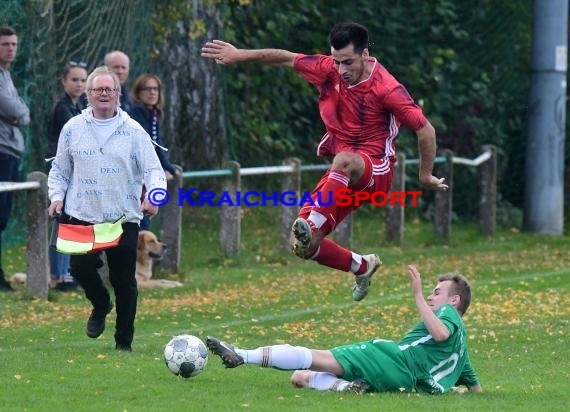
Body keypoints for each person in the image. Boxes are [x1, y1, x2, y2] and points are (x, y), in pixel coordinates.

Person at [201, 22, 449, 301]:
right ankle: (361, 265)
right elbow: (286, 57)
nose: (342, 70)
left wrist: (425, 175)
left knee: (342, 163)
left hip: (375, 170)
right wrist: (238, 54)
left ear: (365, 54)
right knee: (301, 246)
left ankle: (315, 222)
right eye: (337, 61)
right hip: (341, 175)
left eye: (348, 62)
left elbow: (426, 130)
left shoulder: (387, 88)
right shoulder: (328, 68)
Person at [207, 265, 481, 394]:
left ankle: (241, 355)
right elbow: (476, 390)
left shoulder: (448, 315)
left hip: (393, 359)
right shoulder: (463, 350)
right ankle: (348, 388)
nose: (433, 298)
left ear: (454, 301)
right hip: (402, 384)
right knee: (300, 377)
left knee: (315, 356)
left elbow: (441, 333)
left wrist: (418, 295)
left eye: (438, 292)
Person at [47, 66, 167, 351]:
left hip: (122, 215)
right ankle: (100, 303)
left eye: (109, 89)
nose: (103, 93)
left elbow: (154, 170)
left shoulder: (133, 131)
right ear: (88, 94)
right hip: (82, 214)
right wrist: (56, 197)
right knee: (80, 268)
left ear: (118, 93)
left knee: (124, 281)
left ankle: (123, 343)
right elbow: (59, 170)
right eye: (97, 89)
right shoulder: (73, 128)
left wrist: (155, 196)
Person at [46, 61, 88, 292]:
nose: (79, 84)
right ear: (64, 82)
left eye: (83, 80)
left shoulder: (77, 106)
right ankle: (59, 275)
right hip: (62, 172)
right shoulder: (63, 109)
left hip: (74, 172)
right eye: (74, 79)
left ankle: (68, 273)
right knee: (60, 222)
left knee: (71, 222)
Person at [130, 73, 181, 231]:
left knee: (144, 220)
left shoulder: (152, 113)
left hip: (146, 173)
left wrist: (168, 167)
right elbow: (147, 145)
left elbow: (157, 143)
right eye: (148, 89)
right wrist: (164, 169)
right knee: (140, 223)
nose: (152, 93)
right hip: (137, 175)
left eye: (155, 89)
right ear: (138, 93)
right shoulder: (137, 113)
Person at [0, 26, 30, 292]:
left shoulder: (6, 75)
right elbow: (12, 108)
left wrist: (18, 113)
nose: (11, 48)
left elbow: (22, 112)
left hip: (10, 150)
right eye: (5, 44)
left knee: (2, 218)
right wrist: (16, 114)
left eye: (14, 44)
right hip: (1, 150)